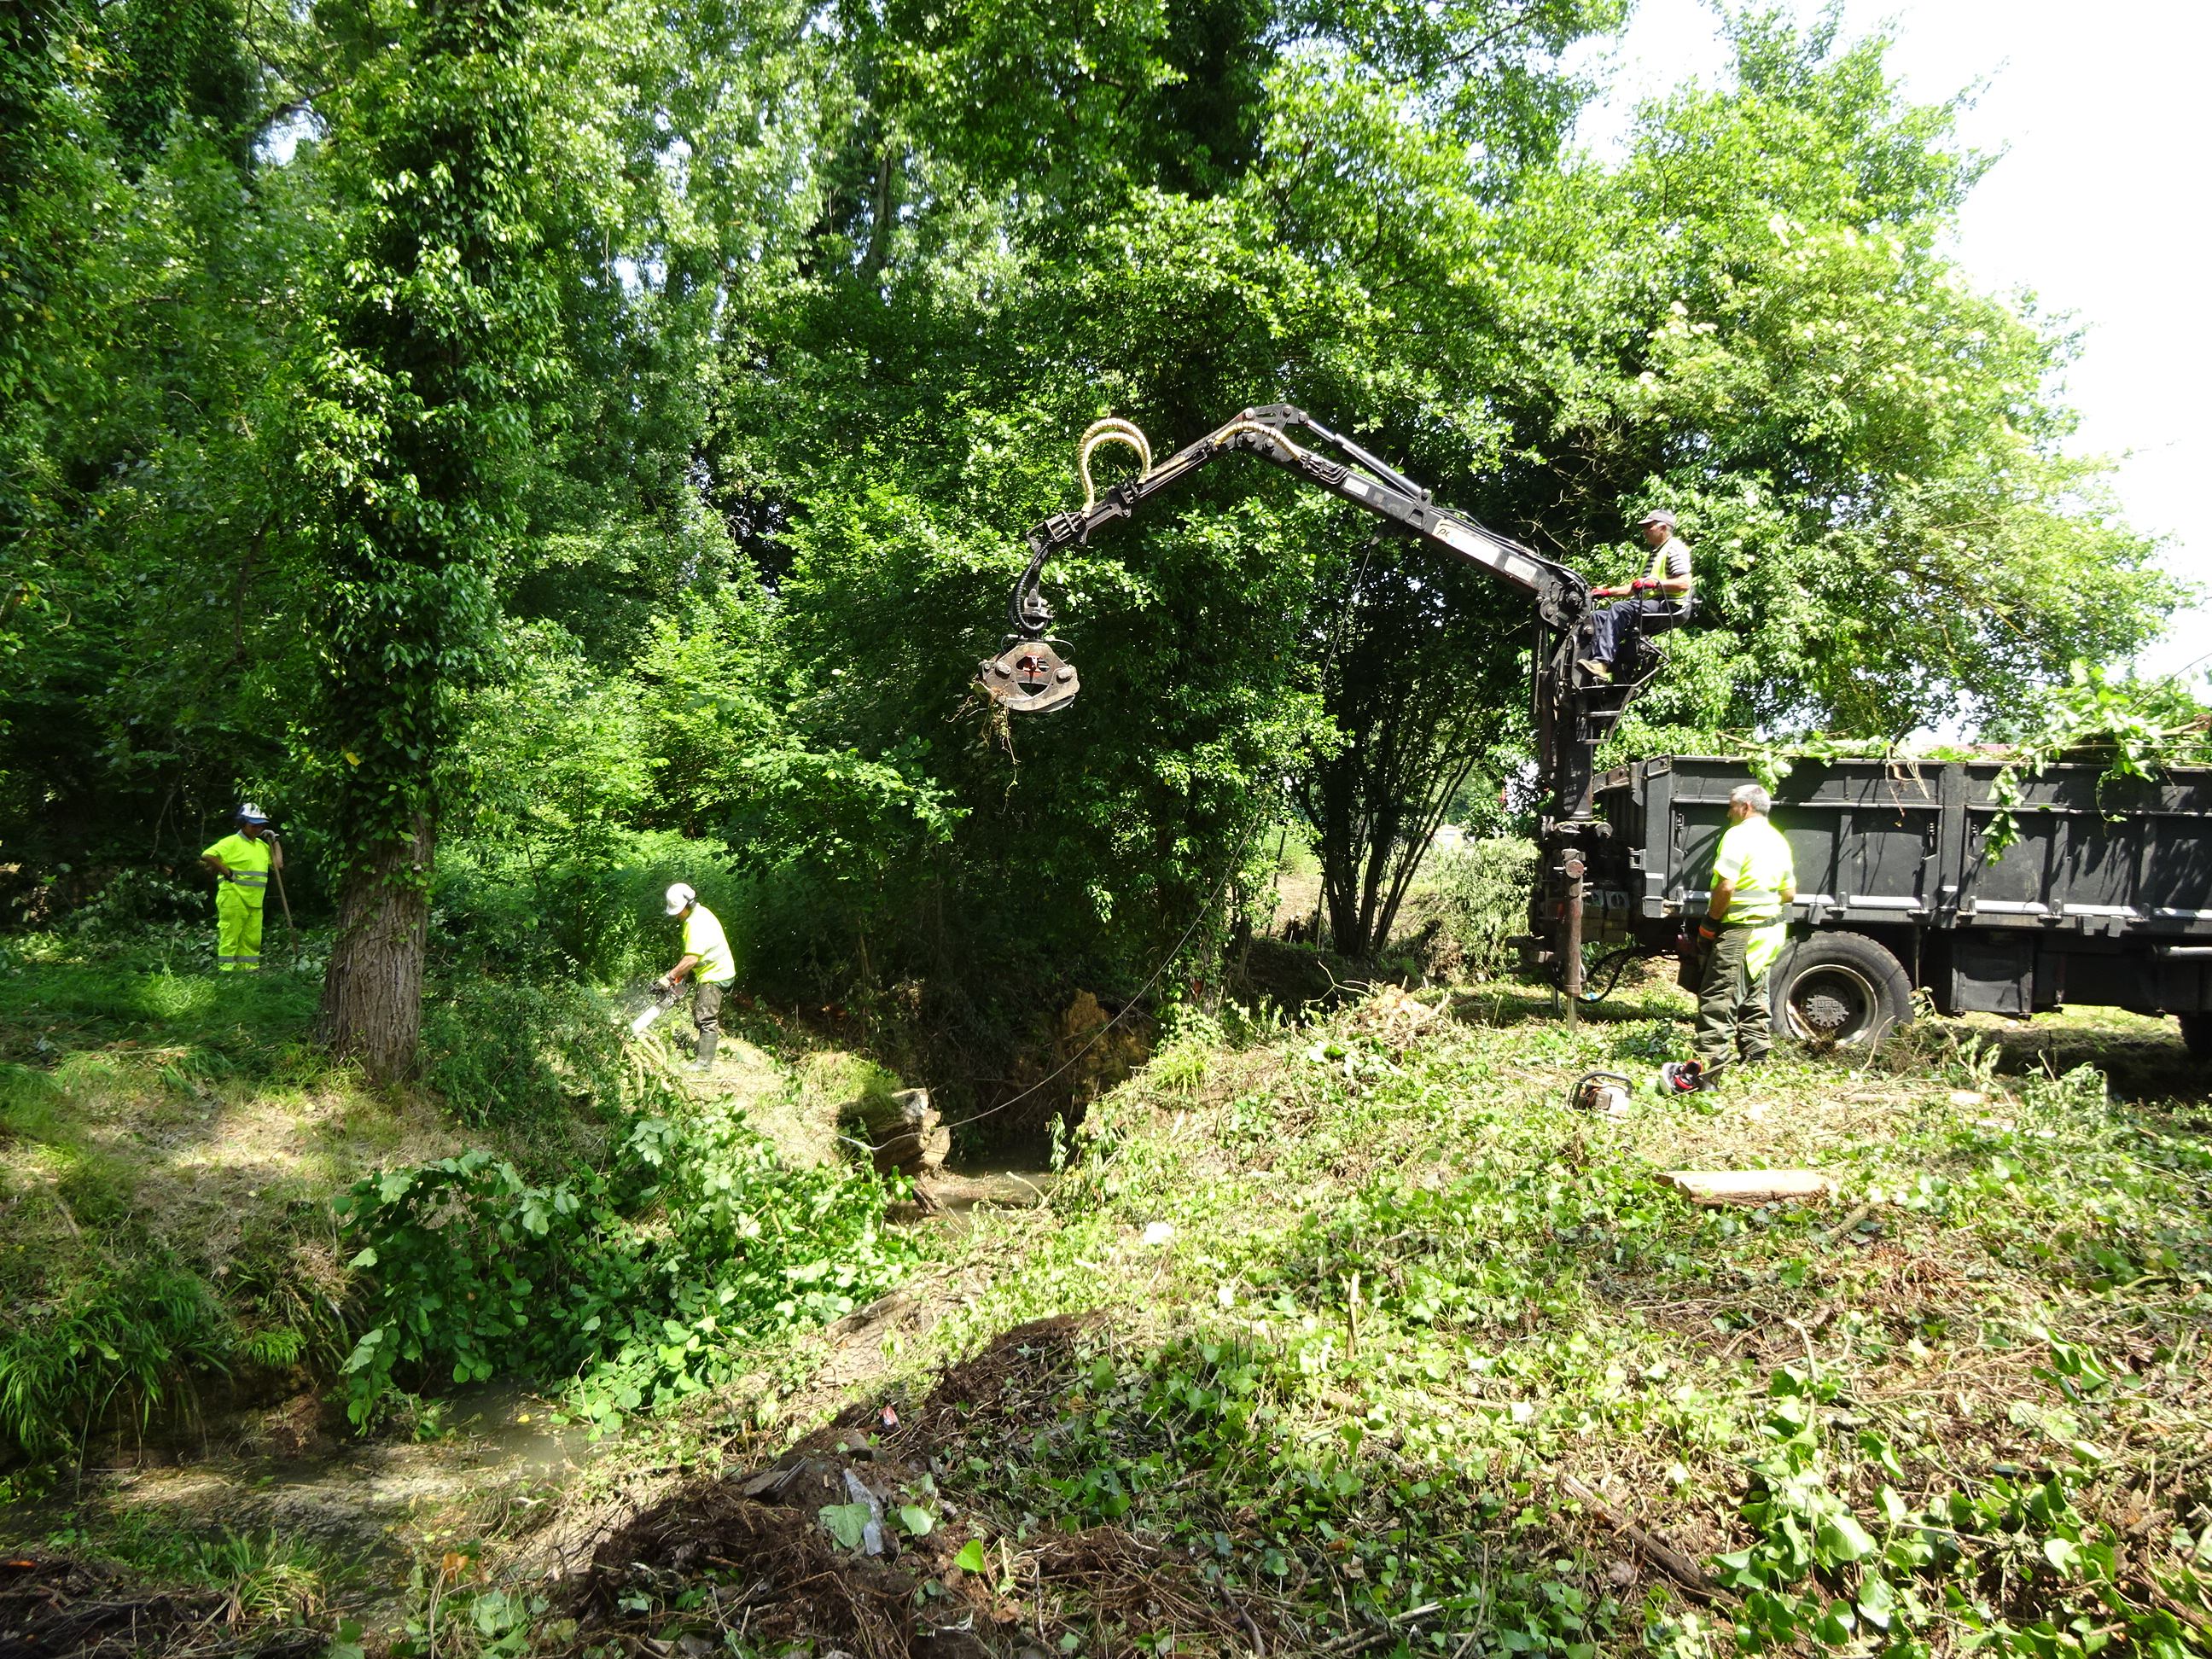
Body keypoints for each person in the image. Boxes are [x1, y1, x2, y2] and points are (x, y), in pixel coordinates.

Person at [1691, 783, 1797, 1078]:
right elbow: (1790, 893)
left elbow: (1726, 885)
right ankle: (1756, 1057)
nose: (1728, 813)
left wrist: (1710, 923)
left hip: (1742, 931)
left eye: (1731, 806)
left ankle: (1708, 1068)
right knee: (1753, 994)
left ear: (1746, 807)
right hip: (1771, 930)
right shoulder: (1778, 840)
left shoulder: (1738, 835)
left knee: (1720, 998)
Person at [1580, 509, 1692, 683]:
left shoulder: (1674, 549)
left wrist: (1655, 583)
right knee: (1599, 617)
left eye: (1649, 526)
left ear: (1663, 528)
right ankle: (1599, 666)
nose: (1644, 531)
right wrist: (1607, 592)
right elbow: (1635, 589)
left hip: (1671, 606)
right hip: (1652, 604)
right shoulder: (1652, 554)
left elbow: (1684, 583)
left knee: (1620, 609)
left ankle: (1602, 663)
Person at [657, 883, 736, 1072]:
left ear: (687, 905)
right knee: (702, 1013)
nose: (676, 915)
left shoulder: (696, 924)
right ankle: (704, 1054)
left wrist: (670, 976)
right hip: (714, 968)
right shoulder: (701, 913)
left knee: (705, 1017)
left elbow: (692, 958)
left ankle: (704, 1063)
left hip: (715, 973)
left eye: (678, 911)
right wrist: (679, 977)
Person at [201, 805, 282, 974]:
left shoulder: (262, 845)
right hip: (233, 896)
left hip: (255, 899)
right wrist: (227, 872)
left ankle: (249, 970)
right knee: (231, 934)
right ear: (242, 823)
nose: (258, 828)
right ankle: (226, 970)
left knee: (252, 938)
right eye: (254, 825)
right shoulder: (231, 842)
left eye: (261, 825)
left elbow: (278, 864)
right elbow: (207, 855)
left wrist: (275, 840)